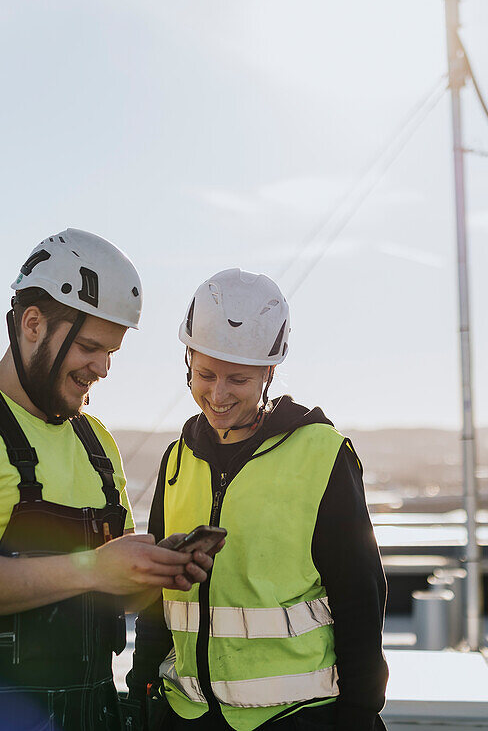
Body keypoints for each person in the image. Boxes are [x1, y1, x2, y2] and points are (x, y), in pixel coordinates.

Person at [0, 229, 213, 731]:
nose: (101, 368)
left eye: (111, 353)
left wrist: (151, 575)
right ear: (33, 323)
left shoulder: (96, 441)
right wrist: (93, 570)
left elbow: (108, 587)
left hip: (92, 711)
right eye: (89, 346)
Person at [128, 269, 389, 731]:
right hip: (188, 715)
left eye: (238, 380)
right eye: (205, 374)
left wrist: (360, 713)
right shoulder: (177, 460)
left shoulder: (321, 455)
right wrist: (142, 684)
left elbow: (360, 599)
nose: (218, 394)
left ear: (269, 373)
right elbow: (156, 596)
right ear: (187, 359)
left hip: (297, 719)